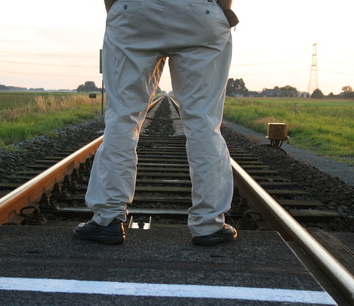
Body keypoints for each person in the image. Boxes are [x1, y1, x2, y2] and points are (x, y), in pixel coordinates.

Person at [74, 0, 239, 245]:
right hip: (200, 12)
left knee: (123, 118)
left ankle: (108, 219)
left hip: (134, 11)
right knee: (203, 121)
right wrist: (222, 11)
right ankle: (208, 225)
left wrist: (120, 9)